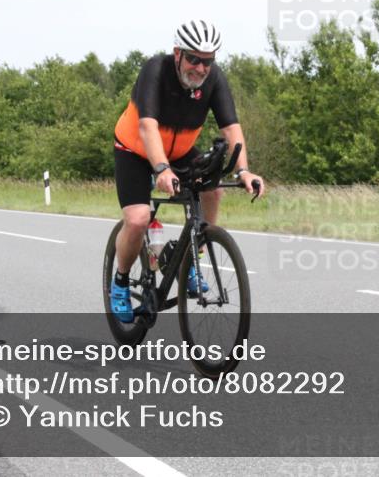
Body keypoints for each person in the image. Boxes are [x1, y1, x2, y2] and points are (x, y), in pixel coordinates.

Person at [110, 20, 265, 322]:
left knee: (214, 189)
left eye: (207, 60)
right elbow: (147, 126)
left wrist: (244, 170)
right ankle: (120, 281)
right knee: (139, 218)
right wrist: (162, 169)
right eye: (194, 58)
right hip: (135, 150)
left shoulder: (213, 80)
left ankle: (193, 262)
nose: (200, 67)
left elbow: (231, 127)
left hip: (178, 151)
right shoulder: (155, 70)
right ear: (177, 53)